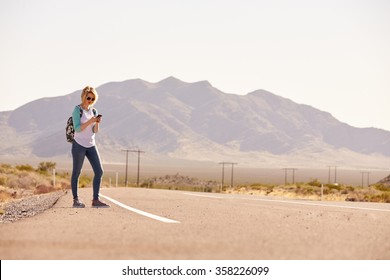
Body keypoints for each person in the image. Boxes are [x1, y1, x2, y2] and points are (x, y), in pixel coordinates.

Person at [71, 86, 110, 208]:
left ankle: (95, 200)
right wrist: (90, 121)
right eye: (88, 98)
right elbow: (77, 128)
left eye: (92, 99)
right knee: (77, 172)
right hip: (79, 144)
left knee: (99, 171)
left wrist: (97, 123)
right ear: (83, 96)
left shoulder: (94, 111)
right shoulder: (77, 110)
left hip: (91, 144)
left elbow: (95, 131)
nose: (90, 100)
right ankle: (76, 200)